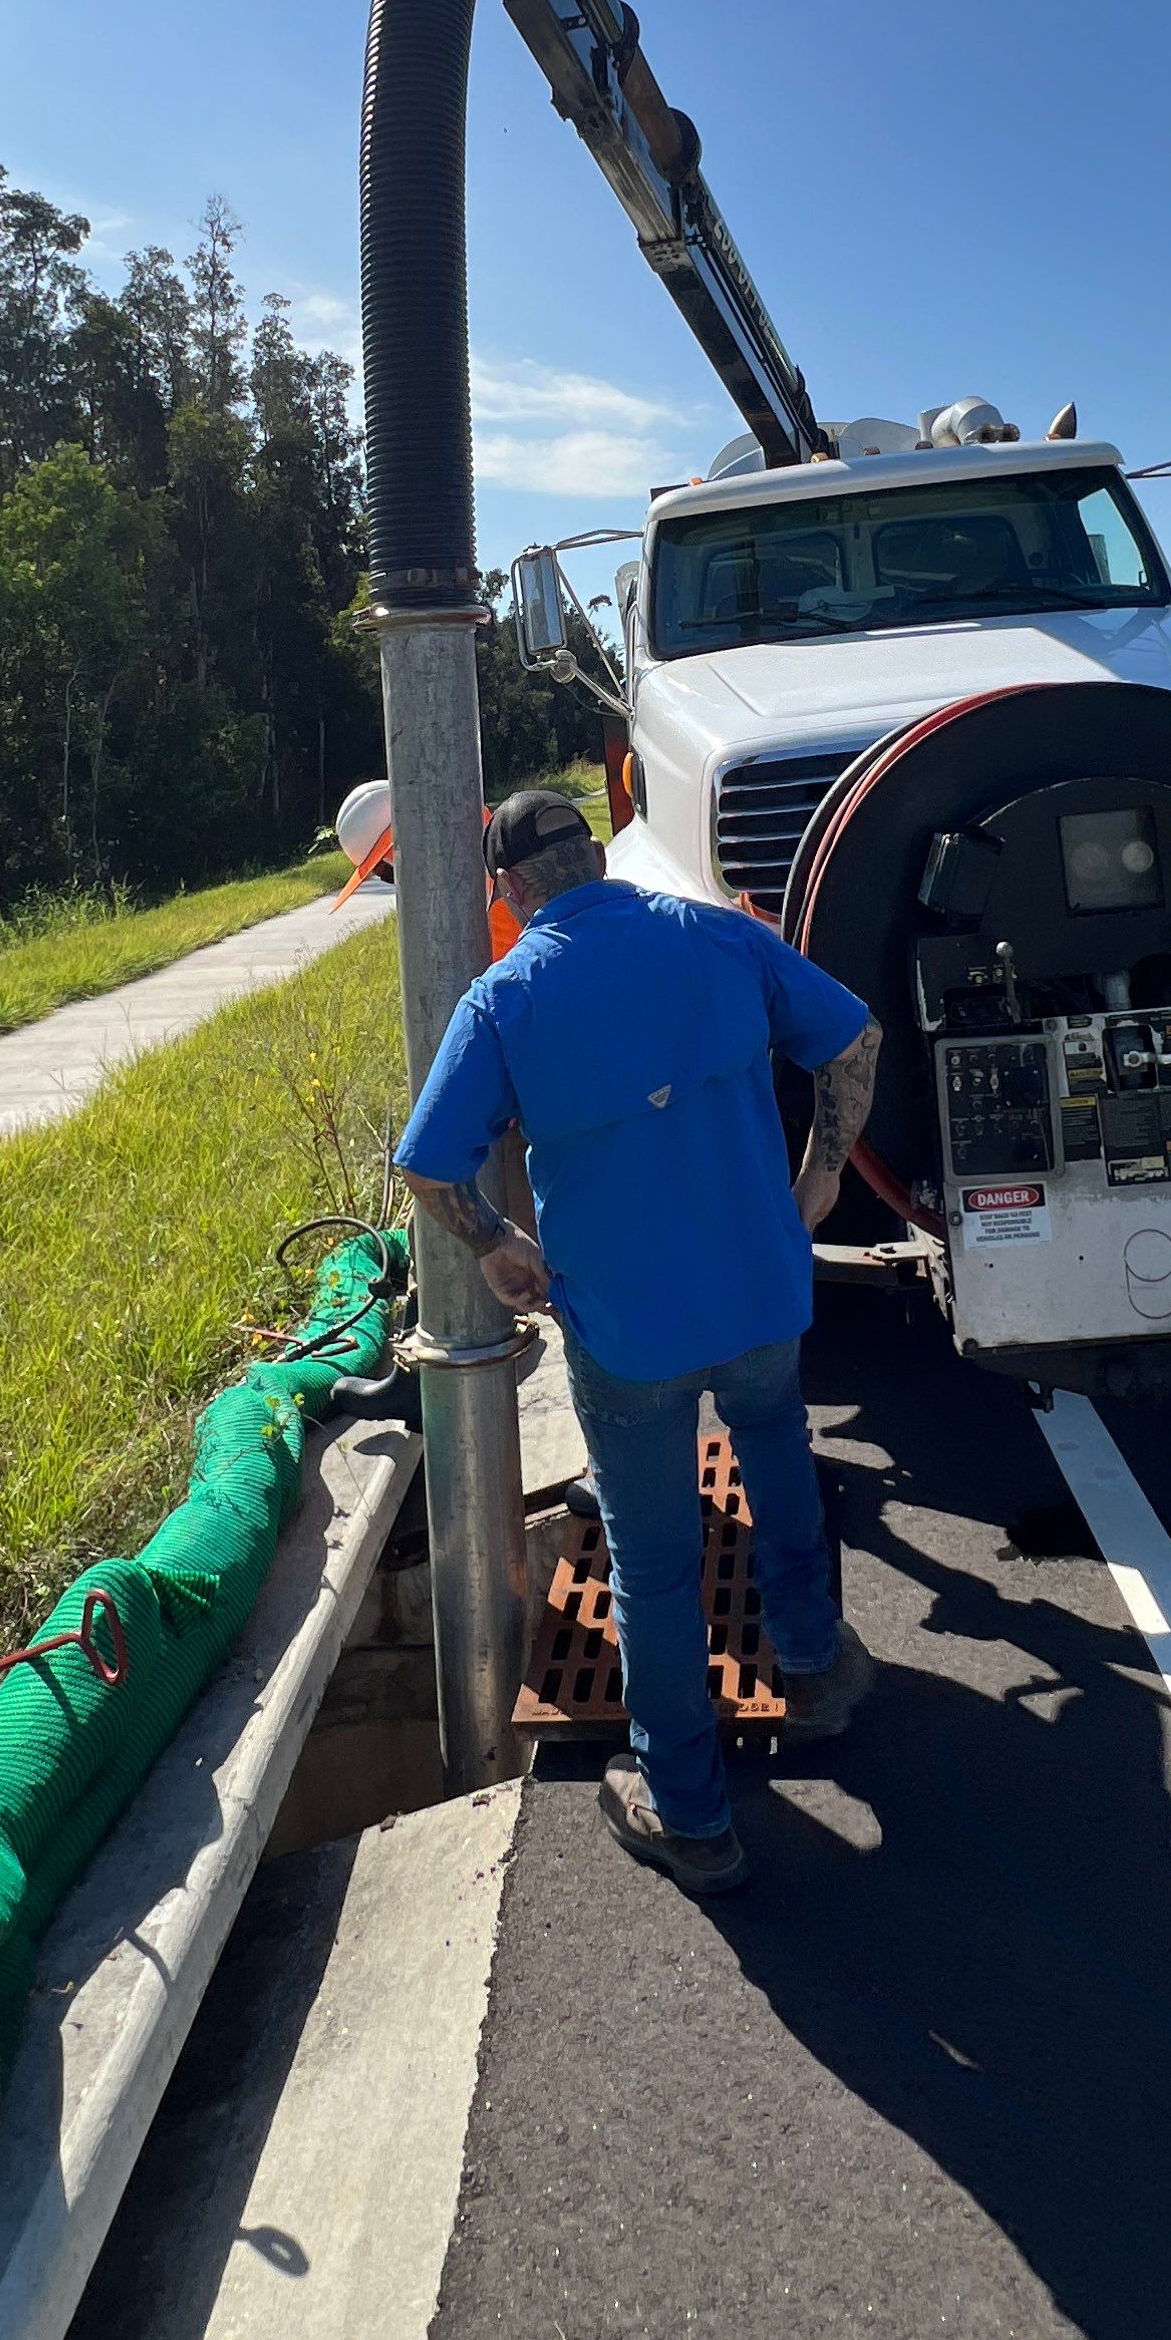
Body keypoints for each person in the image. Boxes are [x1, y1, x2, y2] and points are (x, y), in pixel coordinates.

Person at [396, 787, 883, 1898]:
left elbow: (431, 1167)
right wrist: (817, 1178)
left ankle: (691, 1809)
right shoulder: (716, 934)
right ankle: (812, 1665)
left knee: (654, 1561)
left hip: (626, 1328)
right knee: (776, 1449)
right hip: (760, 1287)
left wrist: (496, 1245)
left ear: (510, 892)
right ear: (596, 858)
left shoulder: (505, 996)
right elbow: (855, 1039)